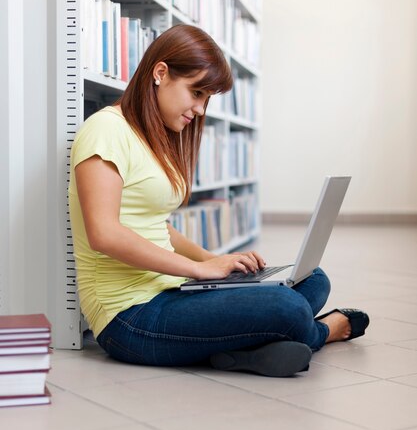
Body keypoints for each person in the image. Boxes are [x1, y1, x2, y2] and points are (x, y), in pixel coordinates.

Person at [69, 24, 369, 377]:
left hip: (170, 289)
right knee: (288, 308)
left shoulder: (152, 136)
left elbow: (155, 226)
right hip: (130, 317)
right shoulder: (104, 131)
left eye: (206, 98)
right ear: (161, 73)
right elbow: (104, 233)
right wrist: (199, 270)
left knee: (314, 279)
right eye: (196, 92)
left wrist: (214, 261)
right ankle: (321, 332)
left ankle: (243, 349)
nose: (199, 109)